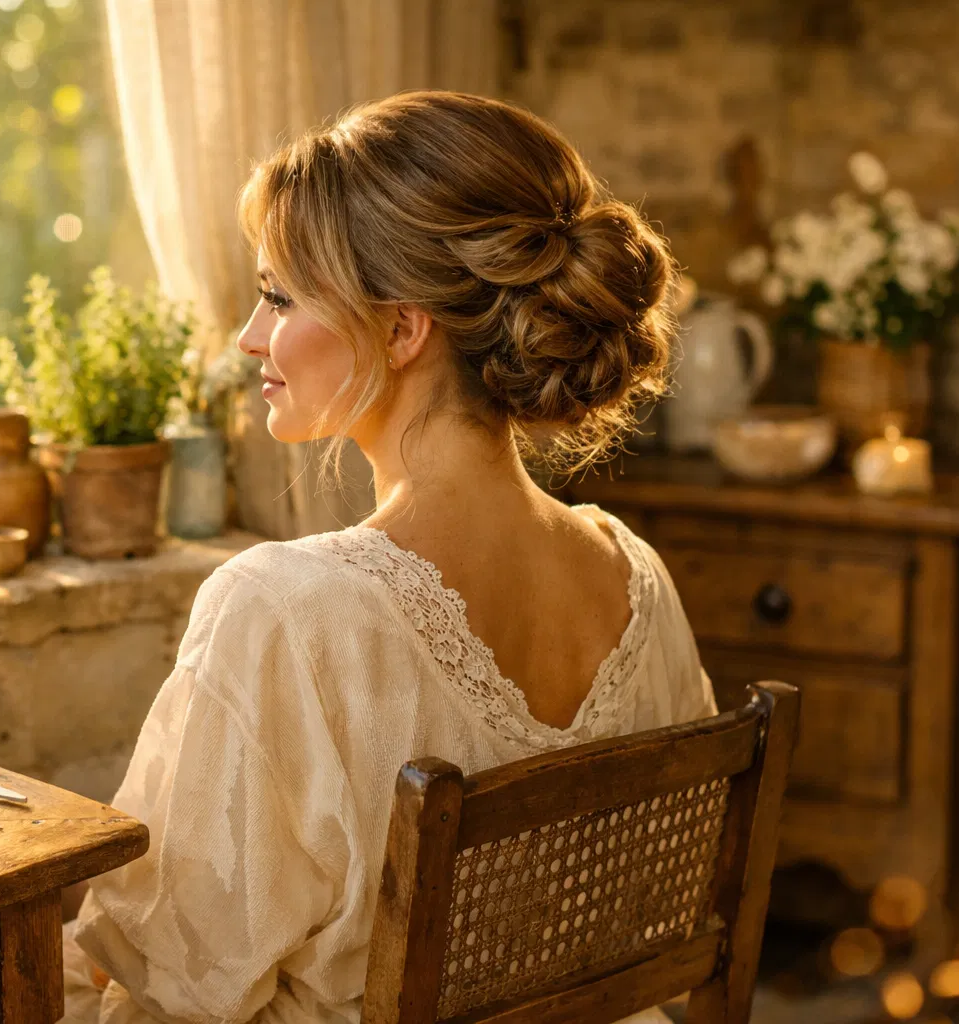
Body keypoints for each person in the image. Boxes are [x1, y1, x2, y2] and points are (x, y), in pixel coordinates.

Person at [62, 91, 713, 1024]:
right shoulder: (638, 578)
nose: (250, 337)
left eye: (280, 297)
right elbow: (668, 929)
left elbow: (169, 982)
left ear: (404, 330)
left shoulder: (285, 611)